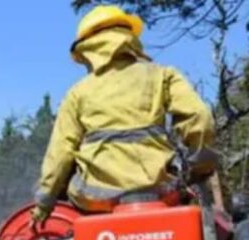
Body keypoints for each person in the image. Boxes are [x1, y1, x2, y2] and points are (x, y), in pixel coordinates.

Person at [31, 5, 219, 226]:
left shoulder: (77, 93)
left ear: (88, 50)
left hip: (96, 198)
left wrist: (43, 205)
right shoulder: (163, 75)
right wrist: (200, 169)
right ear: (130, 39)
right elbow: (200, 117)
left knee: (64, 174)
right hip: (160, 190)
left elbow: (59, 155)